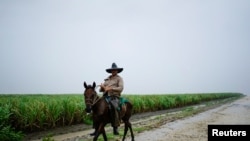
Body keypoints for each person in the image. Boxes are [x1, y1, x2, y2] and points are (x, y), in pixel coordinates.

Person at [99, 62, 124, 135]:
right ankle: (96, 126)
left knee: (114, 107)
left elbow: (121, 88)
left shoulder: (119, 79)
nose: (114, 71)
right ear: (111, 71)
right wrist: (102, 87)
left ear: (117, 71)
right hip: (105, 96)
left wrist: (111, 89)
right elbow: (101, 90)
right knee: (96, 105)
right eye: (112, 70)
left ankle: (115, 127)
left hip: (114, 96)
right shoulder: (107, 79)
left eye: (115, 70)